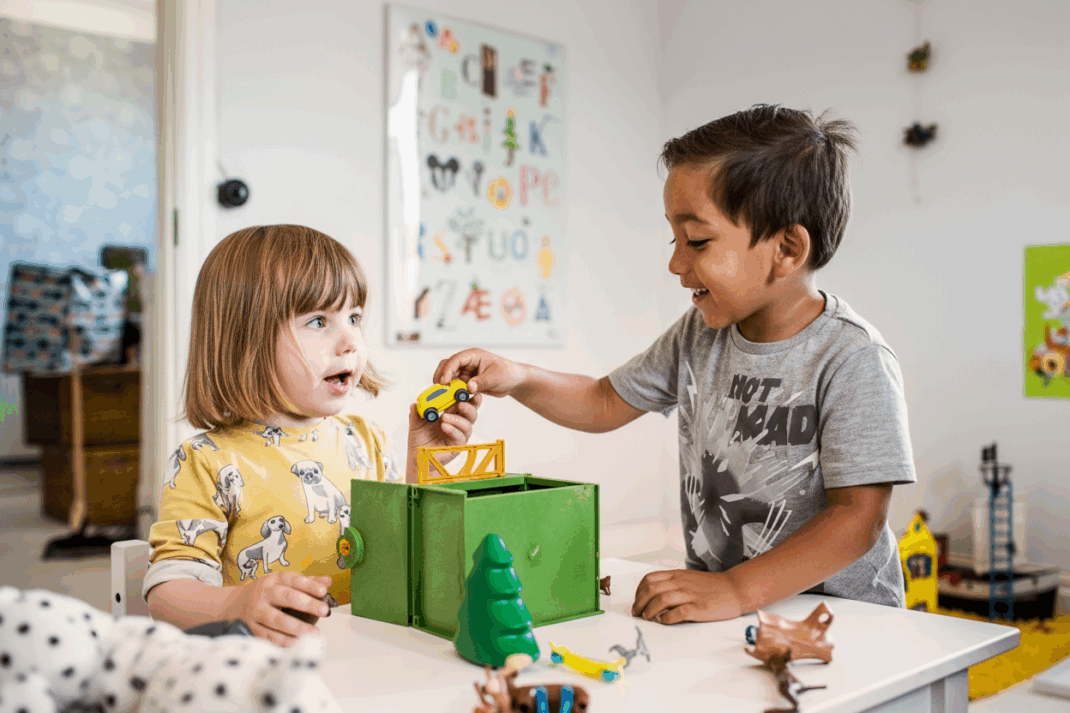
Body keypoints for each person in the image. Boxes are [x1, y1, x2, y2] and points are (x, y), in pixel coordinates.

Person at [434, 105, 916, 625]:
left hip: (847, 622)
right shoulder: (699, 336)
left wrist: (733, 589)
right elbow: (602, 401)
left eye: (698, 241)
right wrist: (519, 377)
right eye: (674, 239)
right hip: (735, 614)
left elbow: (857, 519)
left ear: (787, 248)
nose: (675, 263)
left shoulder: (852, 357)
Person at [144, 225, 481, 646]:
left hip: (369, 655)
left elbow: (401, 556)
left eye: (354, 317)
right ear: (245, 337)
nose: (350, 341)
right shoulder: (207, 461)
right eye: (319, 321)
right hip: (266, 671)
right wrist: (235, 604)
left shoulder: (366, 441)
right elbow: (167, 592)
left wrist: (422, 467)